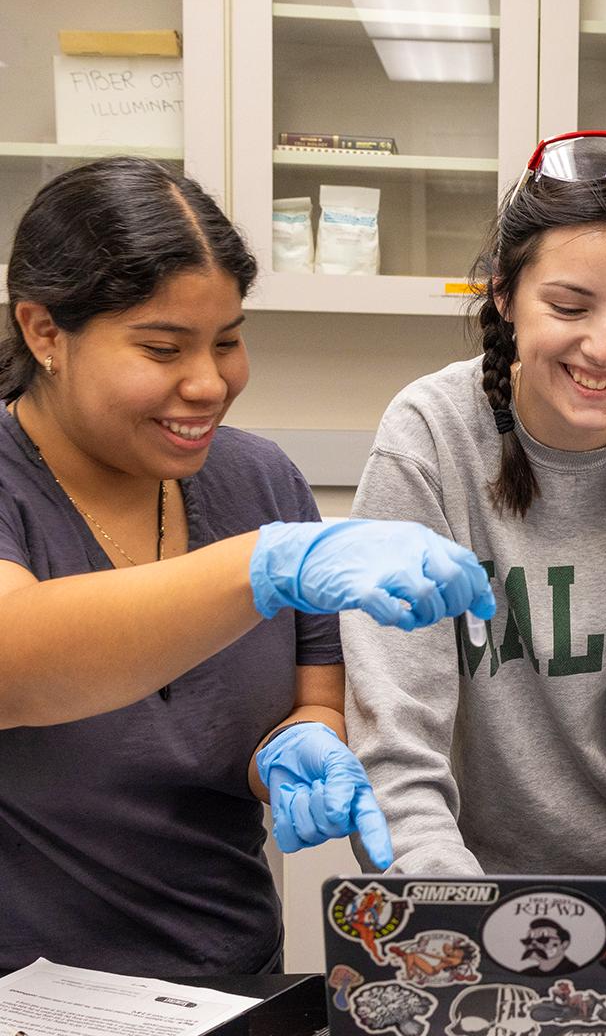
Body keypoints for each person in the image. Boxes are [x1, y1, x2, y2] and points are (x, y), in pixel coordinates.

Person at [0, 157, 493, 975]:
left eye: (227, 341)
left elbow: (311, 702)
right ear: (45, 332)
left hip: (233, 983)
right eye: (162, 348)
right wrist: (263, 564)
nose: (208, 382)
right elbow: (16, 665)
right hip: (27, 1016)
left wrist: (299, 749)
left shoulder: (259, 480)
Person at [343, 131, 606, 879]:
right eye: (571, 306)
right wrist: (449, 908)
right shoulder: (428, 439)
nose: (604, 348)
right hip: (461, 885)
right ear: (506, 295)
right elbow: (397, 733)